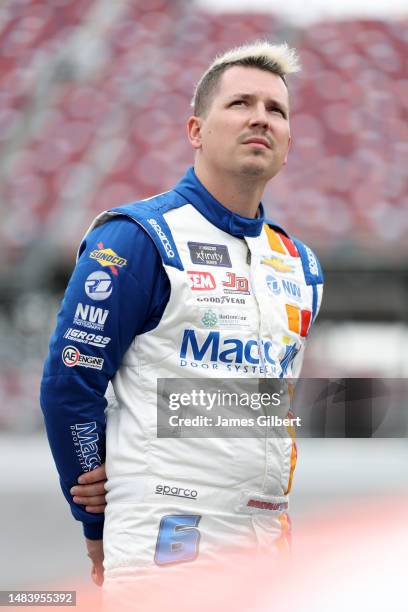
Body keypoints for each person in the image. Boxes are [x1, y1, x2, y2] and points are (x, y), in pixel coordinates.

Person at [40, 40, 323, 595]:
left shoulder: (300, 263)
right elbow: (69, 385)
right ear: (196, 130)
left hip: (268, 537)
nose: (260, 118)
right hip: (165, 536)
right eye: (241, 103)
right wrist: (95, 515)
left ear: (289, 145)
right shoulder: (138, 238)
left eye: (276, 110)